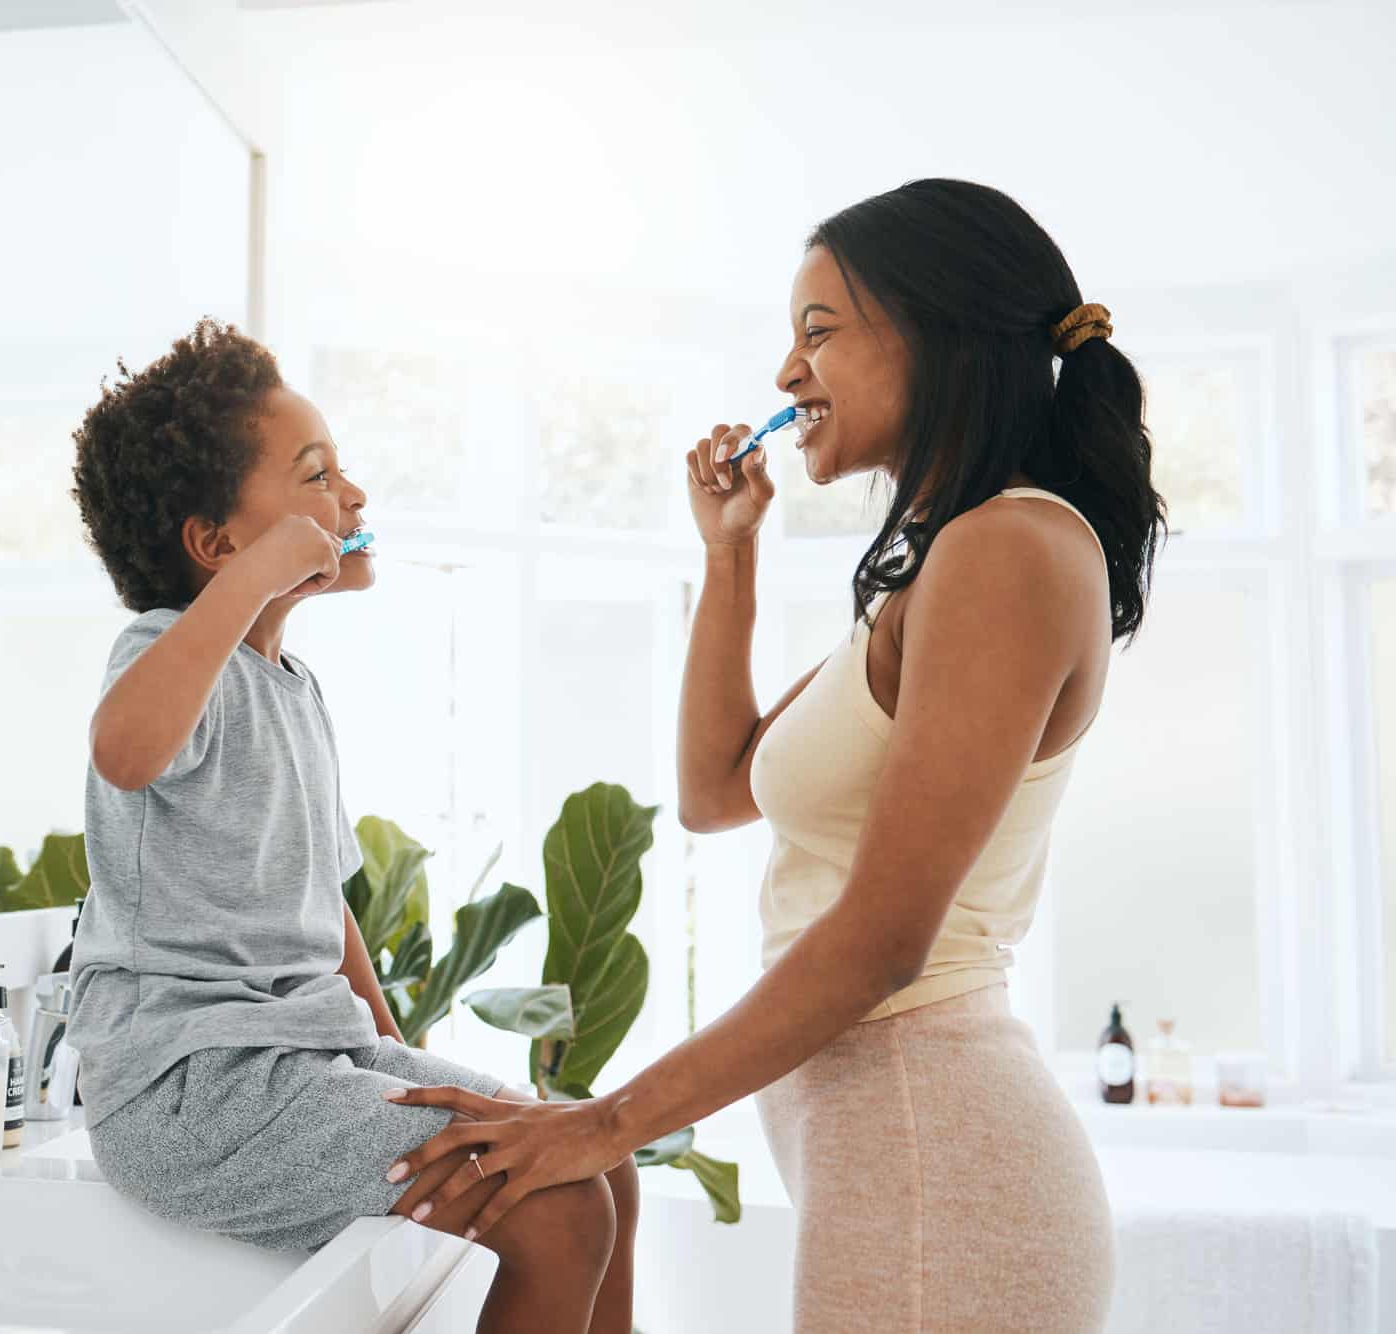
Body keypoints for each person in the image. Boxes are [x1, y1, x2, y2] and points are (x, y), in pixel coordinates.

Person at [385, 179, 1168, 1332]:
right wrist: (730, 558)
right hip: (895, 1151)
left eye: (818, 331)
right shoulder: (941, 560)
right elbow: (715, 791)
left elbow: (881, 941)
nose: (786, 373)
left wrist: (602, 1124)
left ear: (938, 332)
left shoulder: (1007, 548)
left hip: (936, 1159)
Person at [66, 319, 639, 1334]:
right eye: (315, 475)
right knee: (552, 1212)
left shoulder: (291, 688)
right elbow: (123, 747)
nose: (353, 496)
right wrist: (251, 580)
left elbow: (320, 898)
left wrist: (393, 1051)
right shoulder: (164, 654)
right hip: (186, 1087)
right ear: (216, 543)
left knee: (594, 1155)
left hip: (298, 1058)